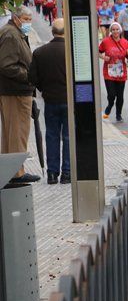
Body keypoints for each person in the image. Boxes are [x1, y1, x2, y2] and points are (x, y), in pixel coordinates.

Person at [29, 18, 70, 184]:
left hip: (50, 100)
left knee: (51, 135)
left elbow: (32, 77)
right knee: (68, 137)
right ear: (65, 32)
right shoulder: (71, 51)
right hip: (68, 99)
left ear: (53, 31)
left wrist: (43, 89)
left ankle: (52, 173)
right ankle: (67, 173)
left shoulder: (39, 52)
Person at [98, 22, 128, 122]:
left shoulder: (126, 43)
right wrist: (103, 57)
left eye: (117, 29)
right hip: (109, 72)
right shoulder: (106, 41)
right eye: (113, 30)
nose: (115, 31)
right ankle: (110, 104)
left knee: (120, 95)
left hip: (121, 72)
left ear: (120, 30)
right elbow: (98, 52)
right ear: (111, 31)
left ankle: (118, 114)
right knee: (112, 94)